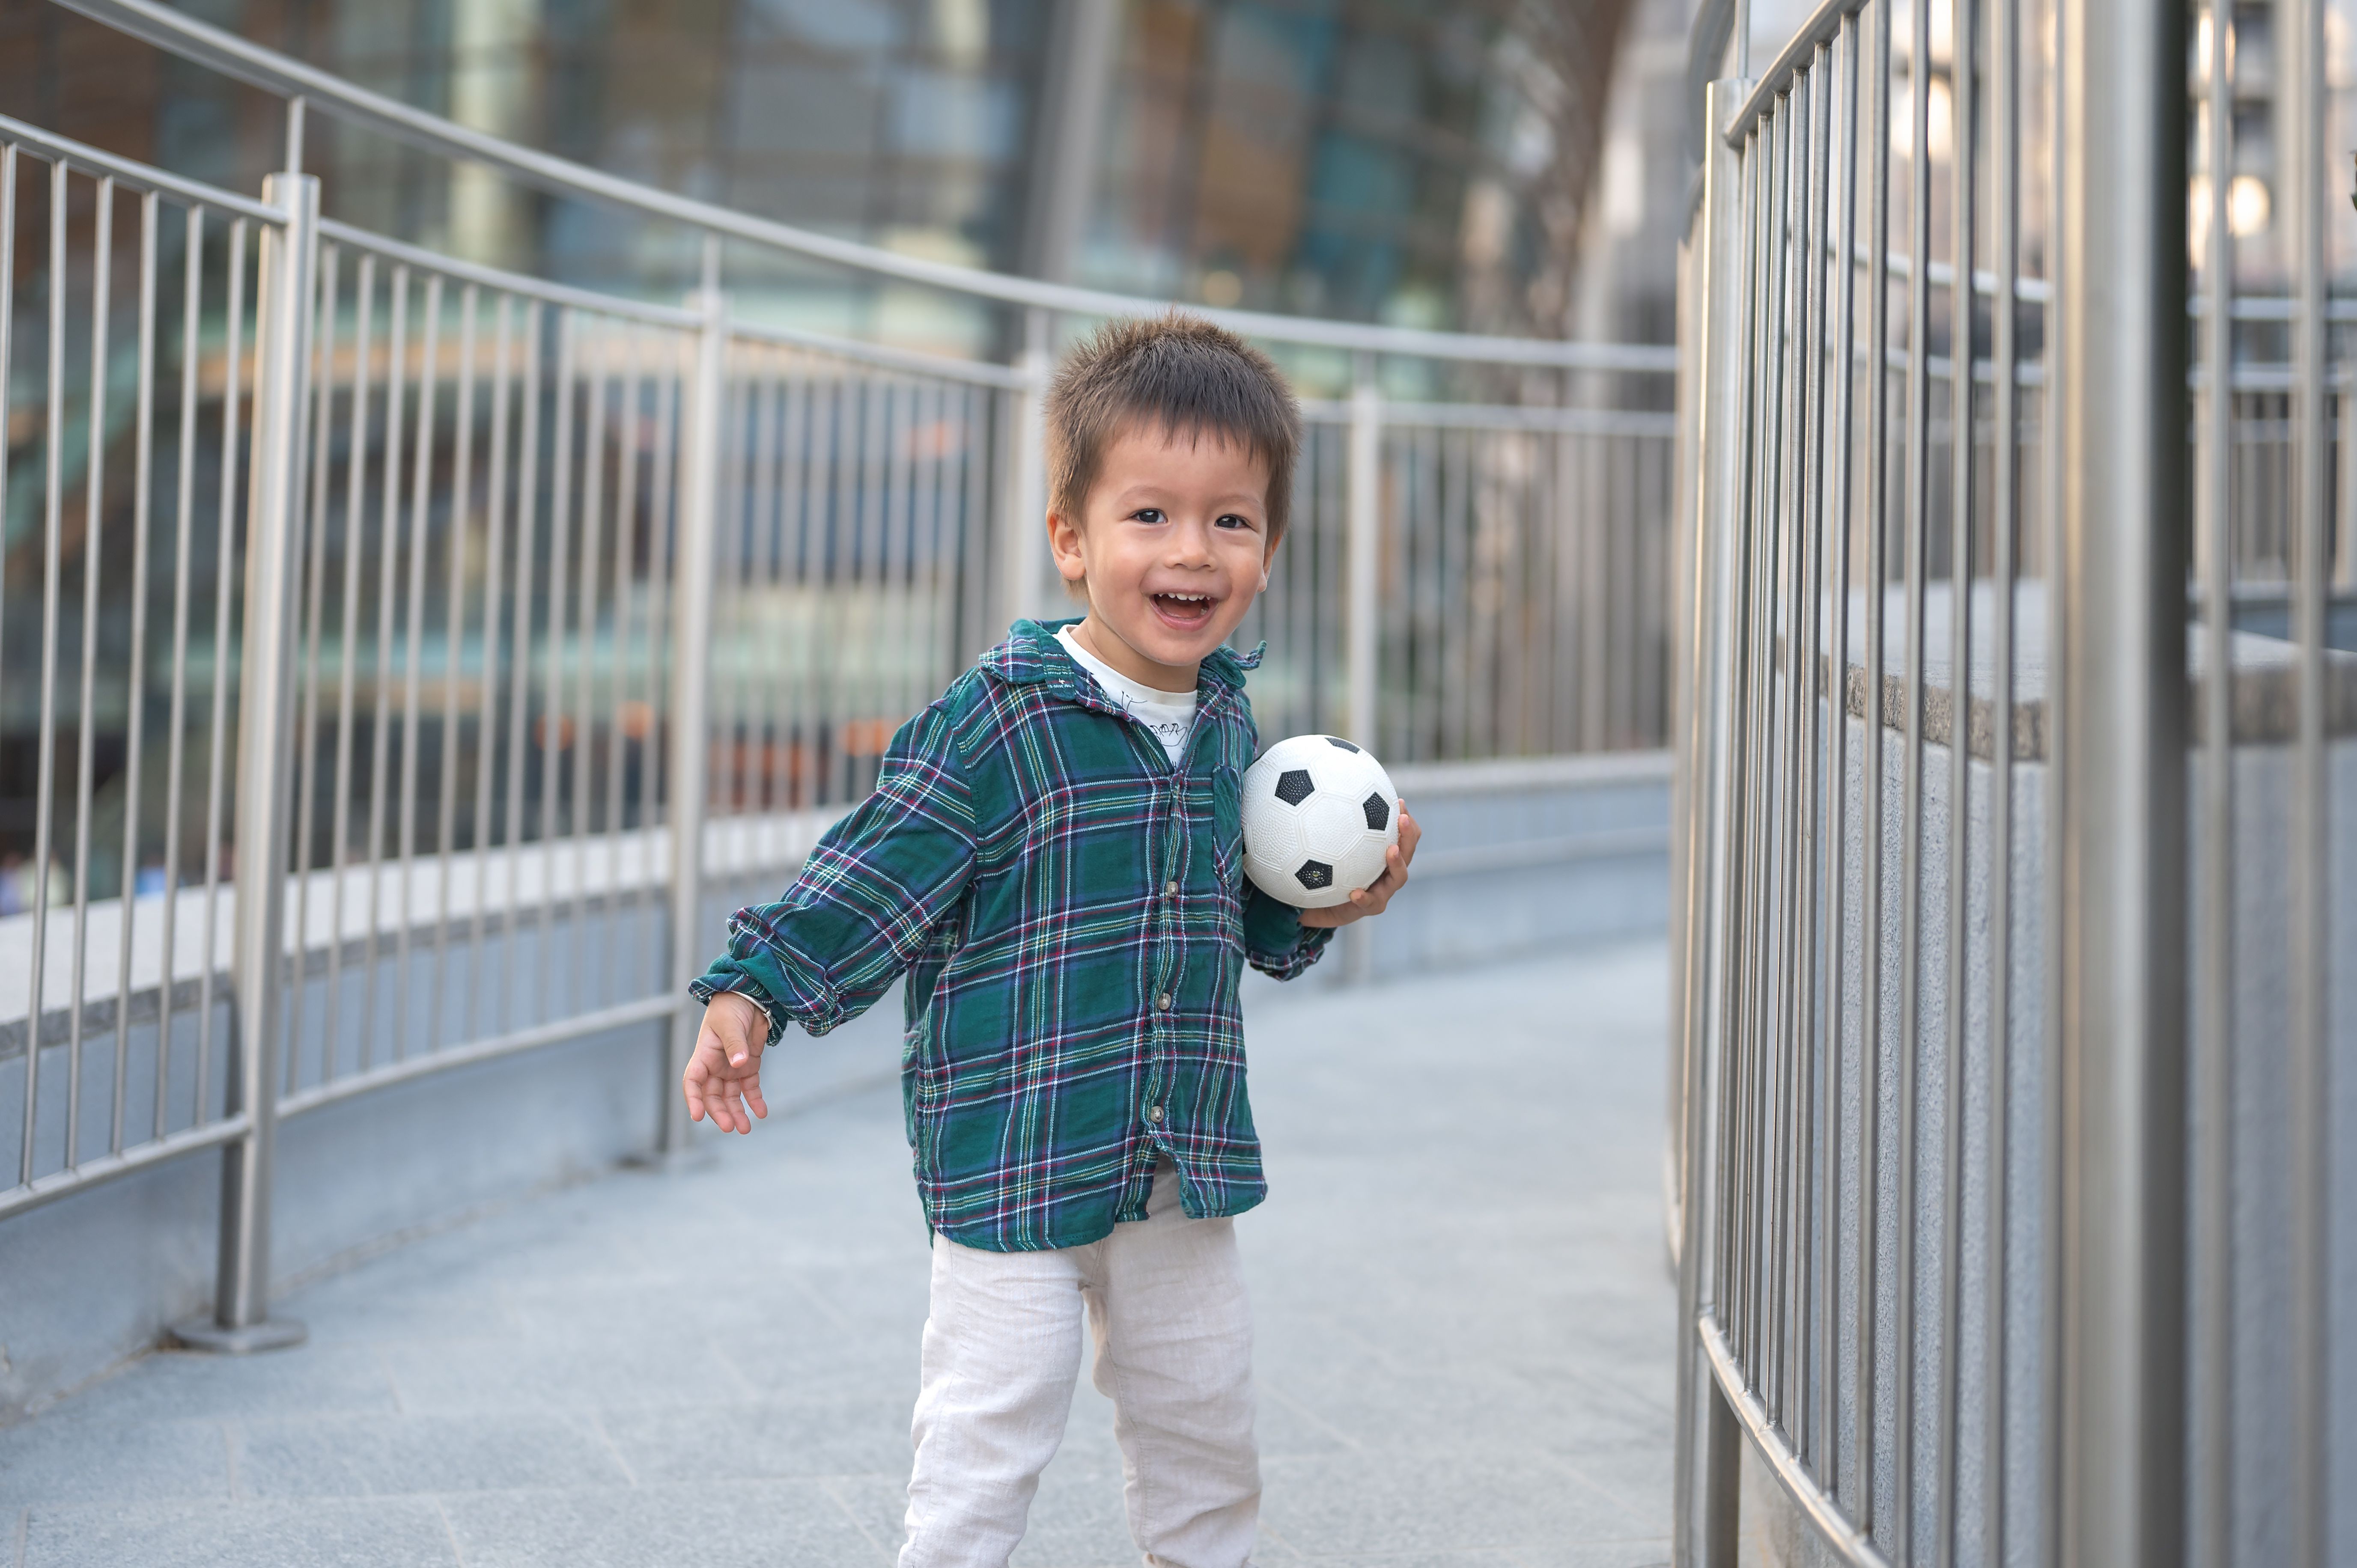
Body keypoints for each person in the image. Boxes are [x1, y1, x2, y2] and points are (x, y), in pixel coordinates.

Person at [681, 313, 1419, 1568]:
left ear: (1268, 550)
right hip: (1014, 1154)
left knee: (1205, 1427)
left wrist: (1315, 910)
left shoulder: (1230, 730)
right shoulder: (1000, 722)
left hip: (1176, 1158)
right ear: (1071, 540)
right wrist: (753, 989)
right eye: (1150, 515)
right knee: (986, 1439)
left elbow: (1228, 913)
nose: (1191, 550)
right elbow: (873, 872)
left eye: (1230, 520)